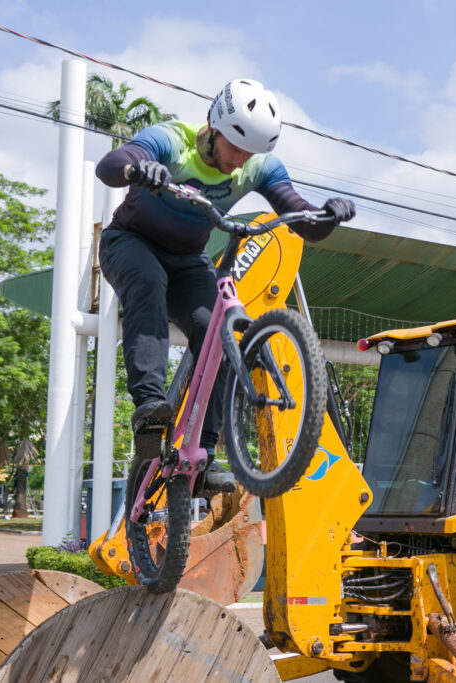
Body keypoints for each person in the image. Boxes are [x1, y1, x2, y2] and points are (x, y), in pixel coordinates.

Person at [96, 78, 355, 493]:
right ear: (213, 127)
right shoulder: (171, 141)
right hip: (129, 243)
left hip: (187, 261)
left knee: (217, 332)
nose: (239, 162)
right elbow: (111, 165)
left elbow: (298, 215)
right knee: (148, 279)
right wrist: (137, 167)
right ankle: (149, 407)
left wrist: (326, 216)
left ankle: (203, 455)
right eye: (235, 149)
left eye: (250, 153)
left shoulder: (259, 167)